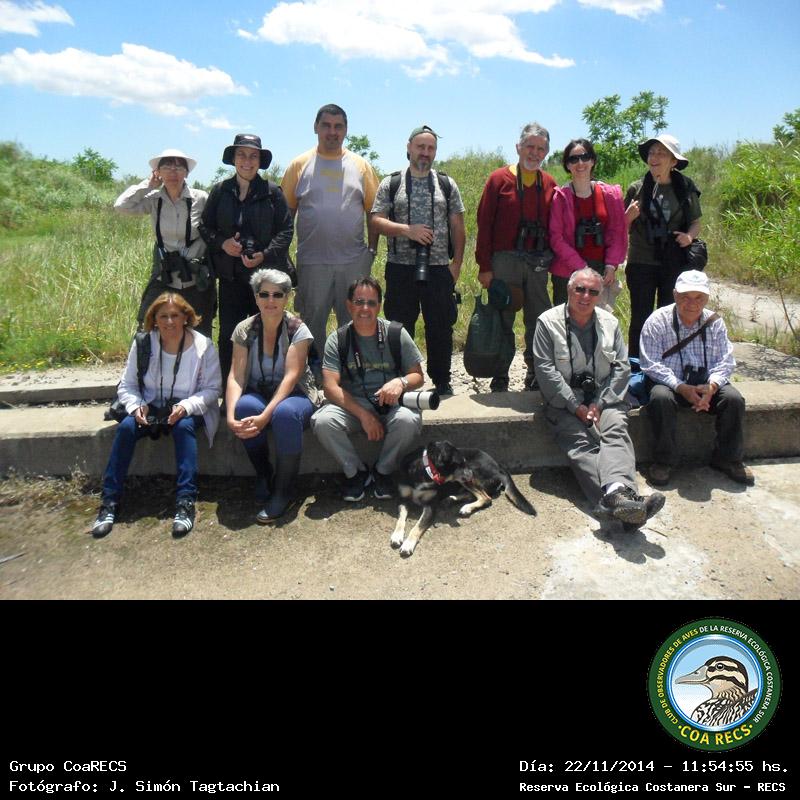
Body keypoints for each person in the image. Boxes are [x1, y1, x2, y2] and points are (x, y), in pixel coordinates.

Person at [533, 268, 665, 529]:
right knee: (581, 443)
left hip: (604, 396)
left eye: (593, 292)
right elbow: (545, 370)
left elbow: (622, 368)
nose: (585, 296)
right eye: (579, 289)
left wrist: (600, 403)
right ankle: (625, 503)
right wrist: (575, 406)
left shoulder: (610, 323)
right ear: (568, 290)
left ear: (600, 294)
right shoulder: (547, 323)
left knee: (616, 430)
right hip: (564, 399)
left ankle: (616, 501)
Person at [91, 293, 222, 539]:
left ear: (186, 317)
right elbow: (127, 385)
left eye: (175, 315)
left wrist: (186, 406)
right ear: (154, 319)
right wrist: (137, 406)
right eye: (163, 316)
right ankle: (109, 502)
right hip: (150, 407)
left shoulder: (203, 346)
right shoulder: (143, 343)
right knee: (126, 428)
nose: (169, 322)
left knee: (183, 428)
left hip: (187, 407)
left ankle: (185, 502)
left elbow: (212, 389)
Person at [370, 124, 466, 395]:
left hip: (438, 268)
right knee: (399, 327)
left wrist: (456, 265)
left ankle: (442, 380)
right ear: (409, 148)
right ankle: (402, 380)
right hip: (400, 268)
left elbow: (458, 226)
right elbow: (375, 221)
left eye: (430, 148)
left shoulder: (446, 184)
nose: (425, 152)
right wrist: (407, 230)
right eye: (420, 146)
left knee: (441, 326)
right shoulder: (392, 183)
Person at [311, 276, 424, 502]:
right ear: (348, 305)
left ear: (379, 306)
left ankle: (383, 471)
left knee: (408, 420)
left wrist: (400, 382)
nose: (365, 308)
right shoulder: (338, 339)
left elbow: (418, 376)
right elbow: (330, 387)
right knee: (322, 421)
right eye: (359, 302)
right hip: (354, 405)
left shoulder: (395, 333)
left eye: (371, 303)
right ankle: (356, 473)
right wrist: (364, 415)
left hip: (391, 403)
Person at [281, 104, 380, 360]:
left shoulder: (361, 166)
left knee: (356, 320)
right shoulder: (298, 165)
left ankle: (351, 370)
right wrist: (284, 254)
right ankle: (315, 371)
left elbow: (374, 211)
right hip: (312, 262)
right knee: (312, 322)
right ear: (316, 127)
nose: (332, 132)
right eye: (326, 125)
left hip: (354, 261)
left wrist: (371, 250)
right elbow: (285, 214)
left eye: (338, 126)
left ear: (346, 130)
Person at [639, 270, 754, 487]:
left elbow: (725, 361)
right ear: (675, 295)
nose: (692, 303)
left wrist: (712, 386)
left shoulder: (715, 322)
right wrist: (680, 387)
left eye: (699, 297)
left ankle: (728, 458)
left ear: (707, 298)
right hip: (670, 383)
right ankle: (663, 461)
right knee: (660, 398)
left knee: (733, 399)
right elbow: (650, 363)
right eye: (685, 297)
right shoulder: (657, 321)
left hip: (706, 384)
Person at [226, 268, 320, 523]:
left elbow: (291, 377)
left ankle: (284, 489)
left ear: (287, 298)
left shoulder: (297, 329)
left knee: (284, 414)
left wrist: (265, 415)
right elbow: (236, 376)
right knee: (244, 408)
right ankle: (264, 473)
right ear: (255, 297)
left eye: (277, 294)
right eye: (264, 294)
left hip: (296, 394)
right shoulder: (244, 329)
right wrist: (230, 416)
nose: (270, 300)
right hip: (259, 391)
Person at [200, 134, 293, 384]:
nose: (247, 161)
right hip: (230, 277)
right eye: (241, 155)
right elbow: (205, 227)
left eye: (253, 156)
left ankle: (266, 386)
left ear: (260, 161)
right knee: (229, 334)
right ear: (233, 159)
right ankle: (229, 388)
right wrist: (223, 243)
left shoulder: (273, 193)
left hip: (264, 281)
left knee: (266, 332)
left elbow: (286, 231)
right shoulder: (220, 191)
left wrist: (265, 254)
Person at [476, 122, 556, 392]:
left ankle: (535, 371)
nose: (535, 153)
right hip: (504, 260)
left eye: (541, 149)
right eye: (530, 146)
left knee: (538, 318)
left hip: (537, 261)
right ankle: (500, 373)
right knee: (503, 316)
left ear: (547, 152)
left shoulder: (549, 183)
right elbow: (484, 223)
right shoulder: (498, 179)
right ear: (518, 147)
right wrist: (484, 266)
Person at [114, 148, 215, 337]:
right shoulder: (154, 200)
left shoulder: (201, 198)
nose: (173, 172)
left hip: (195, 279)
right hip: (164, 276)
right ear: (158, 172)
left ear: (187, 173)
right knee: (146, 329)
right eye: (167, 167)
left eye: (179, 167)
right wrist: (148, 185)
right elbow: (121, 206)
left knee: (199, 333)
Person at [624, 134, 702, 358]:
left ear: (673, 161)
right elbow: (619, 227)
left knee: (669, 315)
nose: (654, 157)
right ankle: (636, 366)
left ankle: (666, 364)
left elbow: (696, 222)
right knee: (640, 317)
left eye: (661, 153)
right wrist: (628, 216)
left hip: (673, 260)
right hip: (641, 261)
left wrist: (689, 237)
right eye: (651, 153)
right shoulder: (637, 188)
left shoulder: (685, 187)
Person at [549, 139, 627, 311]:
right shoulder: (560, 197)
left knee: (598, 320)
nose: (580, 163)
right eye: (573, 159)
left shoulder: (610, 194)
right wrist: (582, 268)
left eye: (585, 157)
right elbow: (556, 239)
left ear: (593, 160)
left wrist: (611, 265)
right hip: (567, 271)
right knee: (566, 321)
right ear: (567, 165)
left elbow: (617, 232)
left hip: (601, 270)